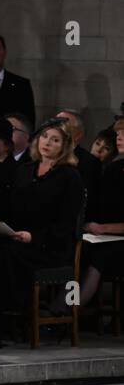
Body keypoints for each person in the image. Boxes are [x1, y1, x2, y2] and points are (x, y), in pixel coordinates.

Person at [0, 118, 84, 348]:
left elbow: (66, 224)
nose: (47, 143)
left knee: (7, 257)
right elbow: (10, 208)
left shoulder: (69, 177)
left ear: (64, 146)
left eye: (54, 140)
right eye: (44, 137)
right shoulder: (24, 170)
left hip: (50, 246)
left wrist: (33, 236)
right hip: (17, 238)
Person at [81, 119, 124, 308]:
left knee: (100, 255)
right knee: (76, 251)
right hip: (104, 235)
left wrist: (102, 228)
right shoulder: (114, 169)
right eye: (119, 134)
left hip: (116, 239)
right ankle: (68, 308)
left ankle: (71, 308)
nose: (120, 138)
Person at [55, 110, 101, 220]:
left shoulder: (89, 163)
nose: (56, 128)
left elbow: (86, 201)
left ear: (78, 135)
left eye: (63, 124)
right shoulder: (37, 156)